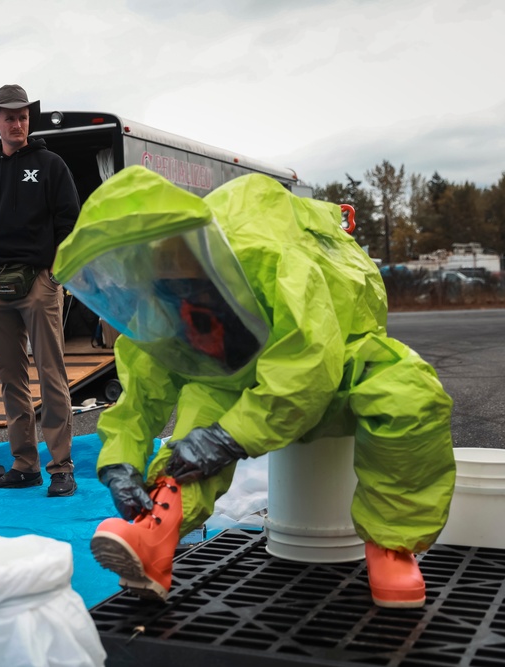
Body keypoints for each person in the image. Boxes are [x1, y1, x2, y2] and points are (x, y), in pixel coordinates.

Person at [53, 166, 456, 609]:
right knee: (196, 418)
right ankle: (156, 537)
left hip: (339, 364)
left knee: (407, 393)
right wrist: (119, 463)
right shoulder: (164, 296)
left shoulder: (269, 260)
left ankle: (392, 547)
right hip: (240, 382)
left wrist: (230, 436)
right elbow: (139, 393)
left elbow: (309, 364)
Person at [0, 84, 80, 497]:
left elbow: (70, 222)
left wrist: (53, 273)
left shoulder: (51, 165)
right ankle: (24, 464)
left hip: (39, 281)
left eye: (23, 116)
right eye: (9, 117)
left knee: (52, 374)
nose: (17, 123)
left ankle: (61, 466)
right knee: (10, 377)